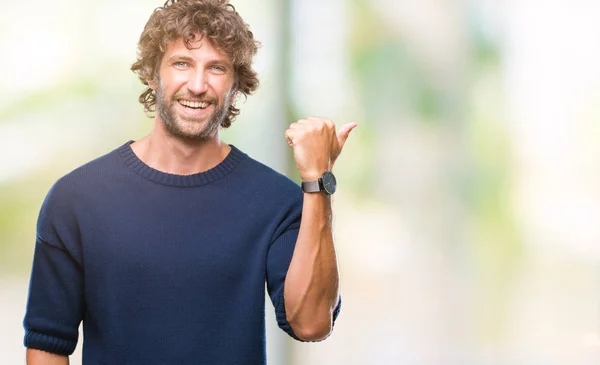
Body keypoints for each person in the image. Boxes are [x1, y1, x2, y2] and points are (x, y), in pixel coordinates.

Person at [22, 0, 357, 363]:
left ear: (235, 85)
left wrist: (318, 180)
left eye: (216, 68)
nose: (197, 85)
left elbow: (311, 324)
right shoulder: (77, 199)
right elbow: (47, 344)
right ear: (153, 73)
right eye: (182, 63)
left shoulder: (276, 200)